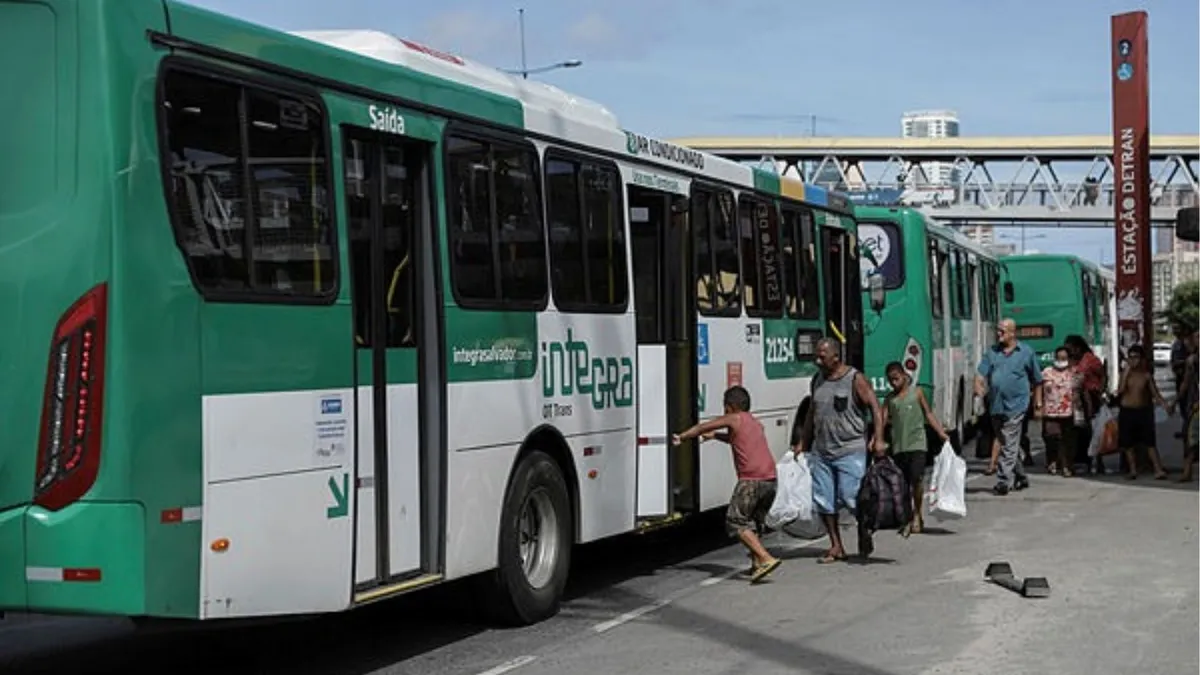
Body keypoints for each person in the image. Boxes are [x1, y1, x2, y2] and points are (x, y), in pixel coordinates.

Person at [672, 385, 781, 583]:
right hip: (771, 480)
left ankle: (765, 558)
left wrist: (682, 436)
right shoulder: (755, 423)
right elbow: (735, 439)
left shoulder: (734, 418)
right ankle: (756, 564)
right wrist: (715, 437)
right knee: (753, 522)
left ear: (730, 407)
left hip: (752, 480)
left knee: (735, 521)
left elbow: (703, 426)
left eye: (725, 407)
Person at [792, 338, 885, 563]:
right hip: (822, 451)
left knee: (851, 496)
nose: (817, 360)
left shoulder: (855, 379)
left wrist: (878, 438)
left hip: (850, 449)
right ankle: (836, 545)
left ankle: (865, 529)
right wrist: (803, 441)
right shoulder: (817, 380)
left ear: (835, 357)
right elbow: (811, 414)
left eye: (822, 356)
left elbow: (875, 406)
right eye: (817, 355)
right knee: (824, 500)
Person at [879, 361, 949, 536]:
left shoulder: (917, 393)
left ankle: (917, 513)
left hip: (917, 443)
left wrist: (941, 432)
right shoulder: (890, 399)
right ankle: (907, 517)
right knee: (902, 484)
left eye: (896, 379)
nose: (893, 383)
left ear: (903, 376)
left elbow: (928, 414)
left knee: (917, 479)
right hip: (899, 446)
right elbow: (881, 420)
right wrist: (876, 439)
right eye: (890, 380)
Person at [975, 318, 1043, 496]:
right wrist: (978, 385)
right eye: (998, 331)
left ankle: (1004, 481)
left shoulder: (1025, 352)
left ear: (1013, 333)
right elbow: (981, 372)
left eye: (1002, 331)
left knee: (1009, 441)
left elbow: (1037, 380)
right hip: (996, 405)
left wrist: (1038, 402)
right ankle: (1020, 476)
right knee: (1007, 443)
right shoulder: (992, 352)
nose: (999, 334)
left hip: (1017, 405)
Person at [1114, 345, 1172, 480]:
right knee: (1128, 443)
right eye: (1131, 358)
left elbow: (1155, 394)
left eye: (1137, 358)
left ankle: (1158, 468)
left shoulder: (1146, 375)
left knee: (1149, 441)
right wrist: (1126, 373)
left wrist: (1165, 405)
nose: (1134, 361)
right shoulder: (1125, 374)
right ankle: (1133, 469)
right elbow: (1120, 390)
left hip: (1143, 411)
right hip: (1127, 410)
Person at [1064, 334, 1108, 475]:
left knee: (1094, 431)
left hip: (1090, 400)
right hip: (1076, 401)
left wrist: (1100, 391)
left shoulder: (1090, 360)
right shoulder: (1071, 361)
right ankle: (1082, 461)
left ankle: (1096, 461)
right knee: (1077, 432)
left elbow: (1102, 376)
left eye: (1071, 349)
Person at [1040, 346, 1079, 477]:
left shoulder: (1073, 372)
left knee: (1067, 441)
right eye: (1058, 357)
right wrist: (1038, 405)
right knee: (1052, 438)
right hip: (1050, 411)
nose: (1061, 360)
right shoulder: (1047, 371)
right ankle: (1052, 461)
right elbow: (1039, 388)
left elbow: (1078, 391)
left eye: (1064, 358)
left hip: (1068, 412)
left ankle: (1066, 465)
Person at [1179, 330, 1199, 483]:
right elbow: (1185, 383)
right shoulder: (1191, 360)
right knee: (1189, 438)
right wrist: (1174, 402)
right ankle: (1187, 472)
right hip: (1194, 405)